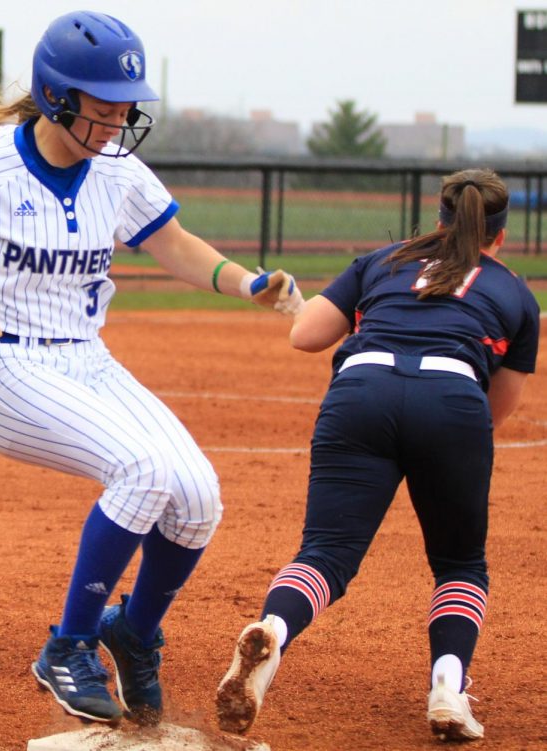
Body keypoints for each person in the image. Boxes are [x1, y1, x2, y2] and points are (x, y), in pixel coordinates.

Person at [0, 9, 304, 727]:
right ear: (56, 97)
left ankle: (131, 632)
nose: (116, 124)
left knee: (197, 494)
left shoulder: (117, 171)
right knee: (143, 468)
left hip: (87, 361)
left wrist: (245, 281)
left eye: (126, 110)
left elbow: (174, 243)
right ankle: (67, 646)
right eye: (101, 110)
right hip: (1, 363)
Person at [215, 168, 540, 742]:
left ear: (438, 217)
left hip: (360, 392)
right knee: (460, 564)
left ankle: (273, 628)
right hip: (453, 399)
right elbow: (497, 410)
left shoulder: (384, 260)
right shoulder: (515, 292)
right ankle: (447, 684)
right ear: (500, 236)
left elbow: (306, 336)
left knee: (327, 554)